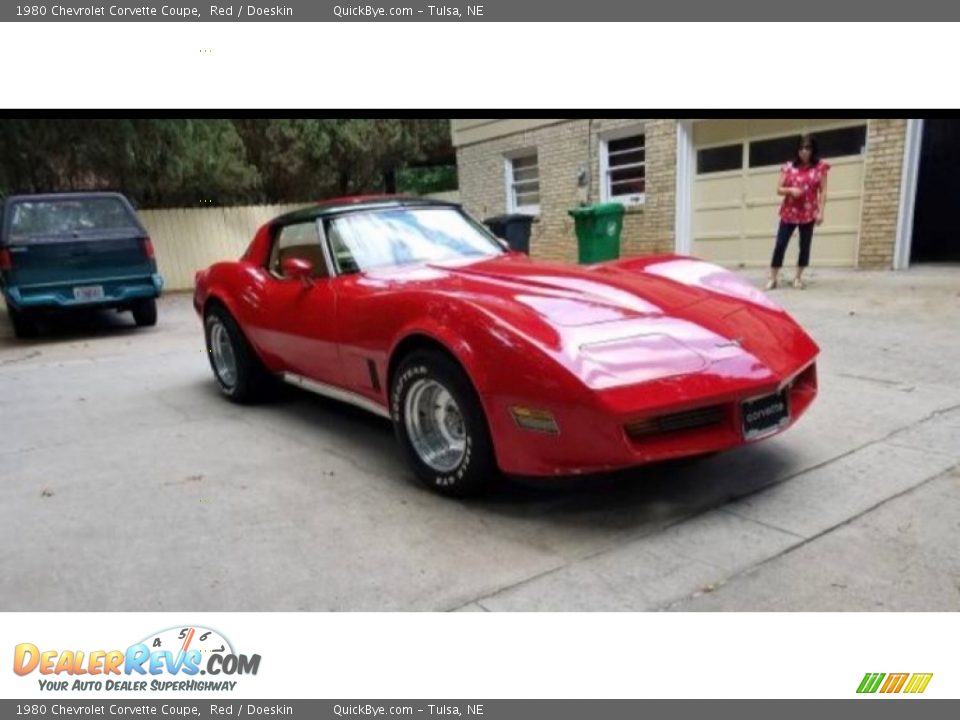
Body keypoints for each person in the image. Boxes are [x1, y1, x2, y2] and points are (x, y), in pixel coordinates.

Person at [766, 135, 829, 290]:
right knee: (780, 245)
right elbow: (778, 189)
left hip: (808, 214)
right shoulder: (789, 167)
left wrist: (821, 212)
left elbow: (824, 191)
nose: (804, 151)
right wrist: (790, 190)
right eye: (801, 148)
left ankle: (798, 277)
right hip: (789, 213)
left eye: (807, 148)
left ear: (812, 150)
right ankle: (773, 277)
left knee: (805, 246)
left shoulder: (820, 168)